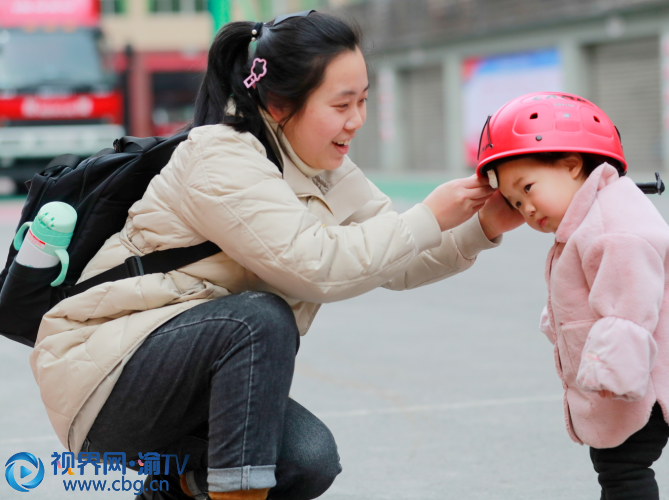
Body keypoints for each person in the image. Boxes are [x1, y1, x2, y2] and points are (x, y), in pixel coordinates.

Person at [29, 11, 522, 500]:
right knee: (259, 320)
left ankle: (175, 490)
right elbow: (316, 267)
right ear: (281, 104)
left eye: (364, 101)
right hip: (104, 384)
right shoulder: (221, 157)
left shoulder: (325, 167)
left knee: (305, 460)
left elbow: (395, 257)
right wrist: (429, 214)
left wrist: (483, 227)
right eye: (342, 104)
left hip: (186, 380)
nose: (357, 120)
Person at [476, 92, 669, 500]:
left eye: (528, 188)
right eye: (516, 202)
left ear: (572, 165)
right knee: (617, 469)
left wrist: (612, 370)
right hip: (630, 378)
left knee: (623, 472)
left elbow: (631, 303)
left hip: (638, 383)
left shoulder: (614, 227)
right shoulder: (592, 217)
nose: (526, 209)